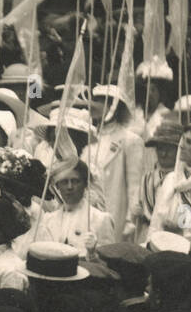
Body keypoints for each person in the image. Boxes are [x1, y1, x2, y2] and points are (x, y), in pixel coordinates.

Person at [86, 85, 144, 237]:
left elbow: (134, 185)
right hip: (87, 212)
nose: (94, 105)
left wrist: (130, 220)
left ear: (115, 107)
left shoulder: (130, 140)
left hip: (115, 211)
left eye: (101, 101)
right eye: (94, 100)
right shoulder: (87, 136)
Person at [36, 158, 115, 258]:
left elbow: (109, 265)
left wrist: (92, 254)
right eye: (64, 182)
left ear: (85, 184)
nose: (70, 187)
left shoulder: (101, 219)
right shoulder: (48, 220)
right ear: (57, 186)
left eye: (75, 181)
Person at [129, 120, 182, 243]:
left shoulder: (185, 181)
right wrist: (137, 212)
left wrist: (177, 221)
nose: (163, 154)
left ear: (179, 150)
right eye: (160, 148)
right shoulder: (147, 179)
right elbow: (136, 215)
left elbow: (186, 222)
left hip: (173, 237)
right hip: (146, 235)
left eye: (169, 149)